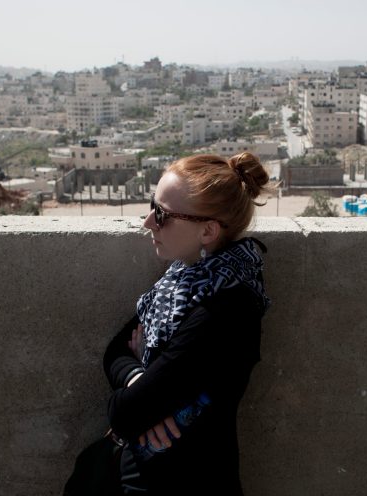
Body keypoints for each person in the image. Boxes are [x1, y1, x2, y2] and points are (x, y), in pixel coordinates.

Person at [101, 152, 274, 495]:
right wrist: (140, 377)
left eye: (162, 215)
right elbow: (115, 351)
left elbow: (123, 415)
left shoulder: (225, 310)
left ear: (208, 230)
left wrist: (137, 397)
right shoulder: (181, 281)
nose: (148, 222)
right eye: (152, 206)